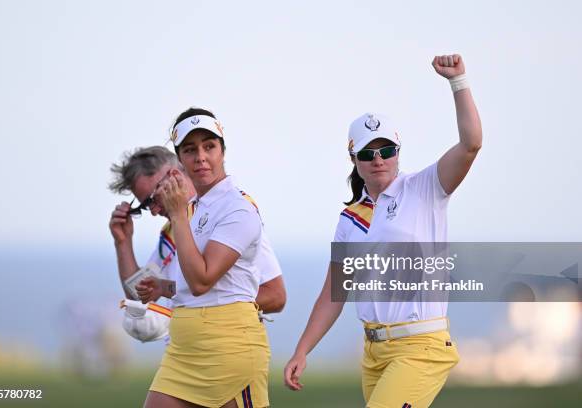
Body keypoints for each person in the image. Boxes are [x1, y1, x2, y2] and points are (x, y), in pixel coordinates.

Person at [284, 54, 482, 408]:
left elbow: (471, 144)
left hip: (420, 349)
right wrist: (302, 350)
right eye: (368, 152)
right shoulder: (350, 219)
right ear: (354, 159)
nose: (378, 159)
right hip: (374, 354)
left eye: (387, 150)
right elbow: (334, 293)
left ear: (398, 152)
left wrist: (459, 82)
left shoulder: (425, 189)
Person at [112, 108, 273, 408]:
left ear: (222, 151)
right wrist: (124, 244)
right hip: (184, 351)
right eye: (190, 150)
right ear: (181, 160)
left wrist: (225, 310)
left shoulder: (237, 209)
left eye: (209, 146)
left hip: (228, 347)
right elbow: (144, 293)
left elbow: (268, 293)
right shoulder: (184, 219)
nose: (200, 156)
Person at [108, 145, 286, 315]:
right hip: (184, 343)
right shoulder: (171, 232)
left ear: (174, 174)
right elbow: (137, 296)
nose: (154, 212)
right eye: (145, 207)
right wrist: (123, 242)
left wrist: (190, 303)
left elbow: (275, 295)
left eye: (153, 199)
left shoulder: (230, 215)